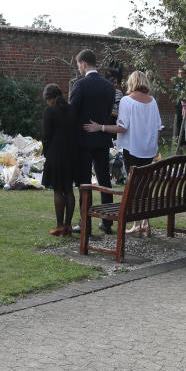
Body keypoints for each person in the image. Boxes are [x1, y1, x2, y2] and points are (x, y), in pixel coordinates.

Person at [85, 70, 162, 236]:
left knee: (134, 185)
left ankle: (137, 223)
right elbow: (158, 127)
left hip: (133, 148)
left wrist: (101, 127)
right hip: (148, 149)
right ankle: (145, 222)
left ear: (131, 83)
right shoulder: (152, 101)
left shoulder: (127, 101)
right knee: (144, 185)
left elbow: (122, 127)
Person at [70, 49, 116, 235]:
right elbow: (107, 112)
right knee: (105, 180)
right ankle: (107, 222)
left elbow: (72, 113)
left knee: (85, 182)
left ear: (83, 64)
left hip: (83, 140)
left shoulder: (80, 85)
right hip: (102, 139)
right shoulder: (109, 86)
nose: (79, 69)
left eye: (78, 66)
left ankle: (85, 222)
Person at [41, 84, 78, 236]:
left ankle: (60, 225)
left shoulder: (50, 111)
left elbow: (46, 135)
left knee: (58, 189)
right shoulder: (72, 109)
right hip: (71, 153)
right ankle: (69, 225)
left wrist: (46, 150)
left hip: (55, 152)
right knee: (69, 189)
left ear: (49, 98)